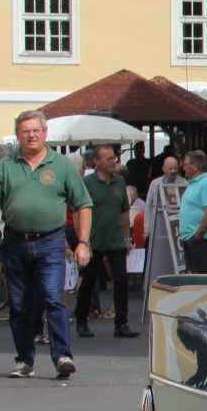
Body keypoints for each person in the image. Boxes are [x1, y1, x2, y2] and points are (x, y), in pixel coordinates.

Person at [0, 109, 92, 379]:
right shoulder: (6, 165)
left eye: (35, 130)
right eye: (25, 131)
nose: (30, 135)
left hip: (51, 241)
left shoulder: (63, 164)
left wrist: (83, 242)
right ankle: (24, 361)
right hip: (16, 242)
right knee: (19, 304)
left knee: (54, 298)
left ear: (45, 134)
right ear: (18, 135)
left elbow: (83, 204)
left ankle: (62, 357)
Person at [75, 144, 138, 339]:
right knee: (88, 281)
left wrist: (127, 237)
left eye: (114, 158)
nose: (114, 162)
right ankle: (82, 320)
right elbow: (78, 213)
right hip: (93, 241)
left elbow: (124, 212)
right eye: (109, 159)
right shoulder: (87, 183)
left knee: (121, 281)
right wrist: (82, 241)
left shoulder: (119, 182)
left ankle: (121, 323)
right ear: (96, 162)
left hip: (116, 240)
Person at [177, 149, 207, 273]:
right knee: (194, 277)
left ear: (195, 166)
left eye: (185, 164)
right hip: (192, 238)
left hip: (201, 240)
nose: (183, 167)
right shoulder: (193, 184)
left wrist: (196, 237)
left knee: (201, 279)